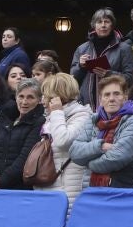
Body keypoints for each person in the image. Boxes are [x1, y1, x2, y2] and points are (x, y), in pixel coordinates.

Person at [69, 73, 133, 188]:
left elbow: (117, 157)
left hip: (127, 191)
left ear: (125, 97)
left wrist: (89, 163)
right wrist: (100, 146)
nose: (111, 99)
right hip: (95, 190)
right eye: (107, 95)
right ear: (101, 99)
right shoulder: (93, 120)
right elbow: (74, 152)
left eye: (116, 94)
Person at [40, 71, 94, 204]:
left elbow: (62, 141)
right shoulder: (53, 117)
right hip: (52, 185)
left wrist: (57, 112)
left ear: (57, 96)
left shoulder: (81, 115)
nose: (42, 99)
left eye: (46, 95)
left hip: (71, 187)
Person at [0, 79, 46, 191]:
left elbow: (25, 158)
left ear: (39, 100)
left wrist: (1, 182)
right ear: (16, 97)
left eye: (30, 97)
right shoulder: (6, 118)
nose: (24, 102)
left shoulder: (40, 122)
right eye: (21, 96)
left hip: (21, 189)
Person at [70, 8, 125, 103]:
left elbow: (130, 77)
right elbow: (72, 80)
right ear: (94, 25)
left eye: (106, 21)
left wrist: (109, 74)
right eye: (99, 22)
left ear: (112, 25)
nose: (103, 25)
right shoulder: (82, 49)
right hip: (87, 104)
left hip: (113, 103)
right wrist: (81, 66)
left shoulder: (123, 48)